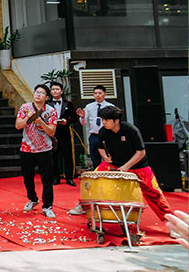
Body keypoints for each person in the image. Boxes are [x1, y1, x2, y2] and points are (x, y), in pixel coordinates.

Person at [68, 106, 173, 223]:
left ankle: (169, 220)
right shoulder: (103, 131)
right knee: (93, 179)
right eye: (102, 119)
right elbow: (100, 148)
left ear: (116, 121)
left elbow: (141, 152)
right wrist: (105, 157)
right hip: (114, 164)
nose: (104, 122)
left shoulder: (131, 130)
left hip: (138, 165)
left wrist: (127, 166)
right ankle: (83, 205)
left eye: (106, 120)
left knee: (154, 192)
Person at [15, 84, 58, 219]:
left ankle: (47, 206)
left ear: (47, 97)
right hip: (26, 148)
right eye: (36, 92)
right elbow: (18, 125)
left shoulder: (51, 111)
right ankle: (33, 199)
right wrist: (28, 118)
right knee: (27, 177)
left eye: (41, 93)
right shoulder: (25, 107)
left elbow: (52, 132)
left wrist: (41, 123)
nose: (38, 94)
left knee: (47, 179)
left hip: (45, 149)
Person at [48, 82, 79, 186]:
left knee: (67, 156)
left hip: (65, 133)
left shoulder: (68, 104)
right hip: (52, 133)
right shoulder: (47, 104)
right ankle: (56, 178)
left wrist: (67, 121)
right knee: (53, 156)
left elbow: (75, 117)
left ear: (61, 91)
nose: (55, 91)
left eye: (57, 89)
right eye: (53, 89)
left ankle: (69, 178)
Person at [76, 85, 113, 170]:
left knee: (109, 158)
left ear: (105, 94)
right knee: (95, 160)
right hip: (94, 136)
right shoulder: (89, 106)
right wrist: (82, 117)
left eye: (100, 93)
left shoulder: (110, 106)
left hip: (107, 135)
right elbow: (84, 123)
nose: (97, 95)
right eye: (95, 93)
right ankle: (96, 174)